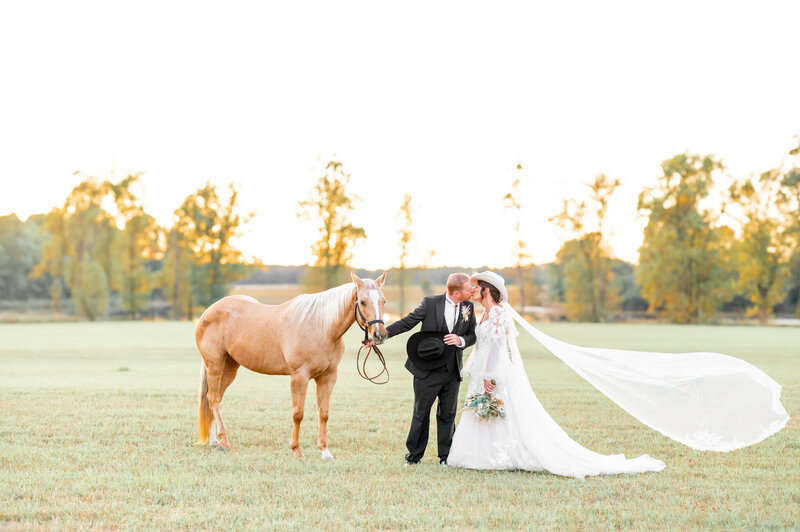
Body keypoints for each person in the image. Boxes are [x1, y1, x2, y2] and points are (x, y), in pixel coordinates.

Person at [447, 271, 789, 478]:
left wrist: (491, 375)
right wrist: (477, 369)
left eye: (477, 288)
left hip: (496, 372)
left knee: (503, 412)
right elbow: (484, 346)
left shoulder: (499, 316)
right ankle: (484, 455)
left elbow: (498, 350)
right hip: (485, 371)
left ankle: (500, 455)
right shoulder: (484, 314)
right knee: (489, 413)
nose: (473, 291)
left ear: (488, 290)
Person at [384, 273, 477, 466]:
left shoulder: (469, 306)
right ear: (458, 292)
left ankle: (446, 457)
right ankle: (414, 457)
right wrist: (381, 335)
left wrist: (461, 340)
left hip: (452, 370)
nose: (473, 291)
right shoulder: (430, 303)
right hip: (427, 369)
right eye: (470, 289)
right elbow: (407, 322)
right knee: (421, 412)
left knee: (448, 414)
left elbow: (473, 335)